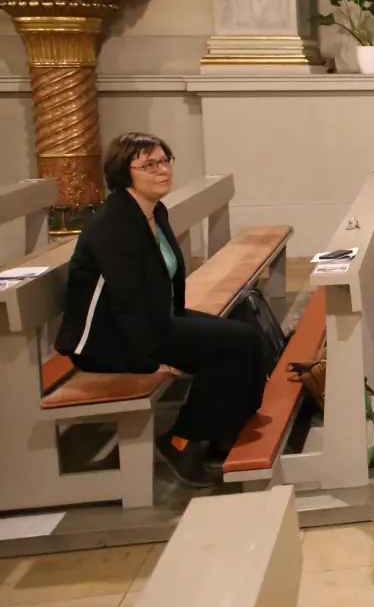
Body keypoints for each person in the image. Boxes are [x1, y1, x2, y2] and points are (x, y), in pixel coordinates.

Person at [55, 133, 267, 488]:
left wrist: (177, 321)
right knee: (233, 343)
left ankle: (225, 435)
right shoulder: (115, 225)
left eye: (165, 160)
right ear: (124, 172)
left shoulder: (153, 212)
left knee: (245, 335)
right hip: (109, 341)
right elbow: (124, 302)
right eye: (149, 164)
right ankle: (181, 440)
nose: (162, 170)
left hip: (152, 320)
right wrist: (147, 362)